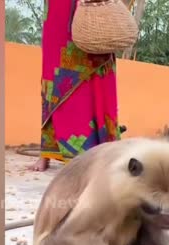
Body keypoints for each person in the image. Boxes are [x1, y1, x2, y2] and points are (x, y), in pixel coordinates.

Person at [29, 0, 123, 171]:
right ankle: (47, 152)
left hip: (91, 9)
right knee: (53, 76)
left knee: (96, 65)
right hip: (58, 10)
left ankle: (102, 151)